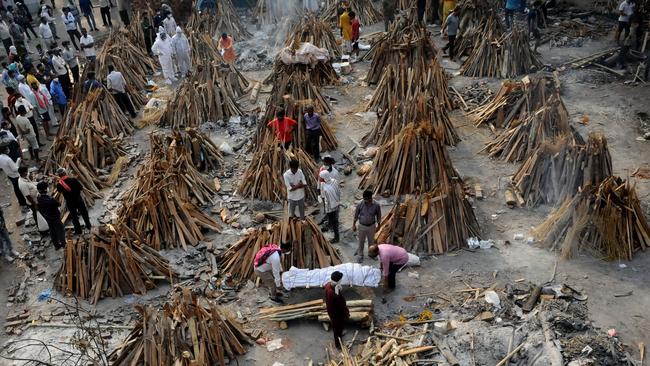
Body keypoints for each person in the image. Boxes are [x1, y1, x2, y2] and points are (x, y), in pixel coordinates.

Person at [55, 168, 91, 234]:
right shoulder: (73, 180)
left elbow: (59, 191)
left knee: (74, 216)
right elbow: (81, 188)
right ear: (65, 173)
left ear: (59, 176)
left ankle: (78, 230)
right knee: (84, 213)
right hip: (78, 199)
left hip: (70, 202)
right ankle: (88, 225)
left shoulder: (59, 184)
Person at [352, 189, 381, 262]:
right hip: (362, 226)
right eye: (364, 199)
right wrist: (354, 225)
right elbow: (356, 215)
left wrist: (379, 225)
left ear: (371, 198)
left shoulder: (376, 205)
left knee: (371, 242)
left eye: (367, 199)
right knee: (361, 241)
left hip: (371, 226)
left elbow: (378, 215)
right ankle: (360, 255)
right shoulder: (360, 203)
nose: (365, 200)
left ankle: (371, 254)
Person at [37, 181, 66, 250]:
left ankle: (56, 245)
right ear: (45, 189)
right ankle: (63, 243)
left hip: (47, 217)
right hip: (55, 217)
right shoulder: (50, 200)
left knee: (52, 231)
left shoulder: (39, 198)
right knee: (60, 230)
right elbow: (58, 204)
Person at [324, 271, 349, 348]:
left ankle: (340, 334)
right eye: (340, 280)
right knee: (337, 328)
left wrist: (338, 290)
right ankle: (338, 344)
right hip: (336, 313)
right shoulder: (331, 292)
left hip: (334, 311)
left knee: (339, 326)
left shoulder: (328, 285)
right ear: (338, 280)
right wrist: (338, 294)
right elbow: (339, 303)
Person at [319, 170, 340, 243]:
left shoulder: (326, 187)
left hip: (332, 206)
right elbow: (338, 191)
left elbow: (328, 200)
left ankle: (336, 237)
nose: (319, 178)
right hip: (335, 203)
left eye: (320, 177)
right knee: (331, 218)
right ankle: (328, 225)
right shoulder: (333, 181)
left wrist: (327, 209)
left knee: (334, 221)